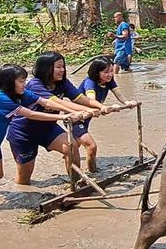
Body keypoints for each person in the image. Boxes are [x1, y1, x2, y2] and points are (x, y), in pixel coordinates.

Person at [0, 64, 77, 210]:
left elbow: (45, 102)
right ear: (9, 81)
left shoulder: (18, 93)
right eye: (21, 81)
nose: (25, 84)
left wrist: (75, 111)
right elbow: (31, 114)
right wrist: (65, 116)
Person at [6, 52, 107, 185]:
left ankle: (75, 184)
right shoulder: (35, 85)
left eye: (63, 66)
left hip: (48, 128)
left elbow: (80, 98)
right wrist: (87, 111)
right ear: (46, 68)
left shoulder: (63, 83)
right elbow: (58, 103)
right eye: (58, 67)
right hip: (24, 132)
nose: (63, 70)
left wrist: (102, 107)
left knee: (71, 147)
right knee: (24, 179)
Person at [73, 56, 137, 172]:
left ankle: (71, 162)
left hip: (88, 117)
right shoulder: (90, 83)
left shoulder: (109, 81)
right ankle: (92, 172)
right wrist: (107, 107)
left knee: (74, 146)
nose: (110, 75)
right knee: (91, 146)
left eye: (111, 71)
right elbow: (91, 100)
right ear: (96, 72)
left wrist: (127, 103)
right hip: (77, 118)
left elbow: (118, 94)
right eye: (106, 72)